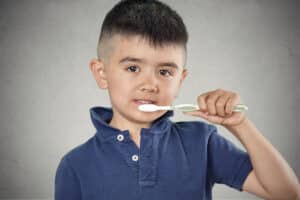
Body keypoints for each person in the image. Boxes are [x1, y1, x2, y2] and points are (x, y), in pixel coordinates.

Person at [54, 0, 300, 199]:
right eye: (132, 68)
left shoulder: (202, 142)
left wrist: (239, 124)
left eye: (165, 72)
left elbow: (287, 193)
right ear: (102, 73)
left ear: (180, 80)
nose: (150, 84)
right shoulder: (75, 166)